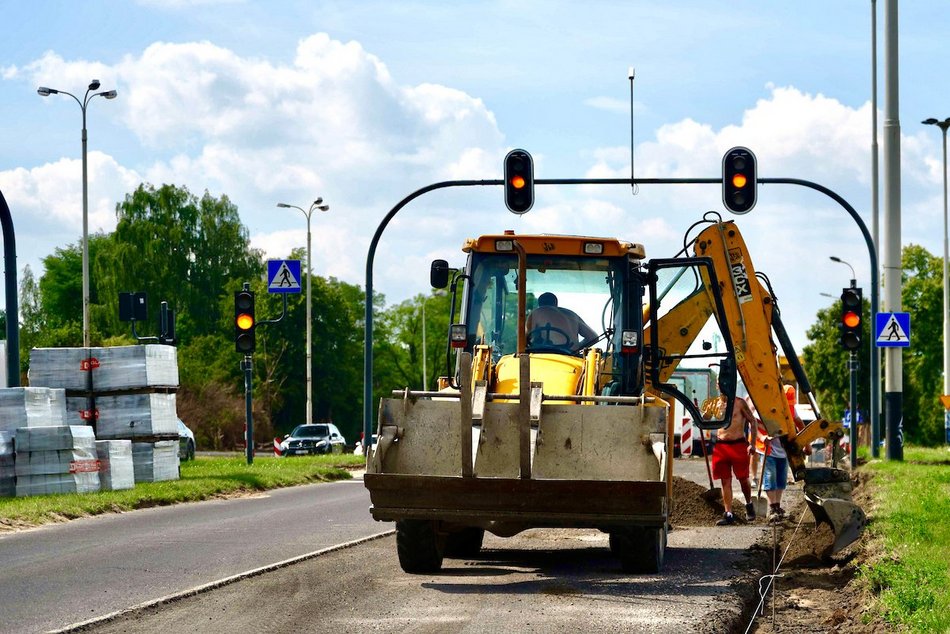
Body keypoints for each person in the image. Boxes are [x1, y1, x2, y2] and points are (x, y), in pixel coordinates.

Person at [711, 395, 757, 525]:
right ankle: (728, 513)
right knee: (725, 480)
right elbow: (707, 419)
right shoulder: (715, 403)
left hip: (738, 445)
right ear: (717, 386)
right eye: (720, 384)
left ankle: (748, 504)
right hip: (721, 445)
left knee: (743, 479)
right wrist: (700, 412)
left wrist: (752, 444)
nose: (723, 387)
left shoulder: (740, 403)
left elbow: (753, 421)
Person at [526, 292, 597, 351]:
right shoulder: (572, 314)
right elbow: (593, 337)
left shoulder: (537, 312)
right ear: (556, 303)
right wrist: (577, 348)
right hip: (572, 357)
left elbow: (524, 339)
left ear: (539, 304)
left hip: (546, 357)